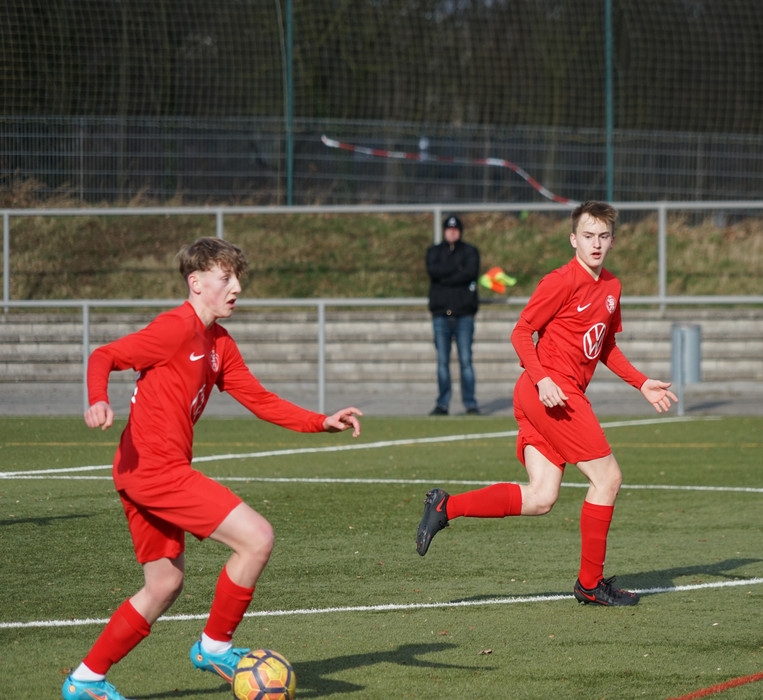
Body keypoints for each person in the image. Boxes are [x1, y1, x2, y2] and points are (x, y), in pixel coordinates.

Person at [62, 237, 363, 700]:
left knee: (164, 585)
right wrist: (98, 399)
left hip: (142, 471)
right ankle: (214, 646)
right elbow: (104, 355)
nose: (236, 287)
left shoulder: (219, 342)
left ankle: (85, 679)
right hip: (155, 471)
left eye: (238, 278)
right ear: (196, 282)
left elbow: (259, 399)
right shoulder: (174, 328)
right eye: (226, 278)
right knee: (257, 537)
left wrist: (321, 421)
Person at [415, 201, 678, 605]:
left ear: (612, 241)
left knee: (541, 497)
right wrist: (543, 380)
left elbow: (605, 345)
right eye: (587, 236)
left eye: (603, 236)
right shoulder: (560, 281)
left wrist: (641, 383)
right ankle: (590, 584)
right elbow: (521, 332)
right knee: (607, 479)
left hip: (546, 394)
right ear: (573, 239)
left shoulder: (612, 287)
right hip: (552, 394)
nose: (595, 244)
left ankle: (446, 507)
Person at [426, 214, 480, 415]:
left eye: (455, 229)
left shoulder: (470, 251)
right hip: (441, 314)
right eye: (449, 229)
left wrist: (445, 275)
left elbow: (470, 272)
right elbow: (433, 271)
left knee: (466, 360)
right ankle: (442, 403)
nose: (452, 232)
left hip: (464, 314)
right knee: (442, 362)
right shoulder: (434, 251)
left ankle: (470, 403)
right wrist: (457, 269)